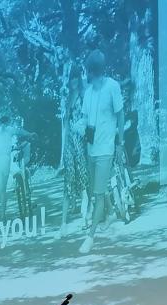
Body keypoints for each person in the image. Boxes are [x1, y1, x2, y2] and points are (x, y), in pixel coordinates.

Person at [80, 49, 124, 254]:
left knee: (97, 195)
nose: (88, 75)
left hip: (106, 149)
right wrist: (80, 129)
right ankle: (111, 213)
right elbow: (85, 120)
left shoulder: (112, 87)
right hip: (91, 149)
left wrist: (120, 143)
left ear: (93, 72)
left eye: (89, 72)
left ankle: (90, 237)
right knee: (94, 190)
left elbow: (120, 115)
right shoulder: (88, 93)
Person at [58, 64, 90, 238]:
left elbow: (88, 117)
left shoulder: (85, 95)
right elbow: (65, 126)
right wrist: (62, 153)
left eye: (76, 77)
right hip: (70, 143)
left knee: (84, 180)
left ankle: (85, 217)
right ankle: (63, 223)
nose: (73, 81)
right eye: (72, 78)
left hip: (82, 140)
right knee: (68, 182)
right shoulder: (67, 99)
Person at [0, 115, 36, 224]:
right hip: (7, 159)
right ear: (8, 122)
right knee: (15, 176)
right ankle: (4, 213)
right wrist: (30, 134)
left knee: (0, 189)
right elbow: (20, 132)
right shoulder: (9, 129)